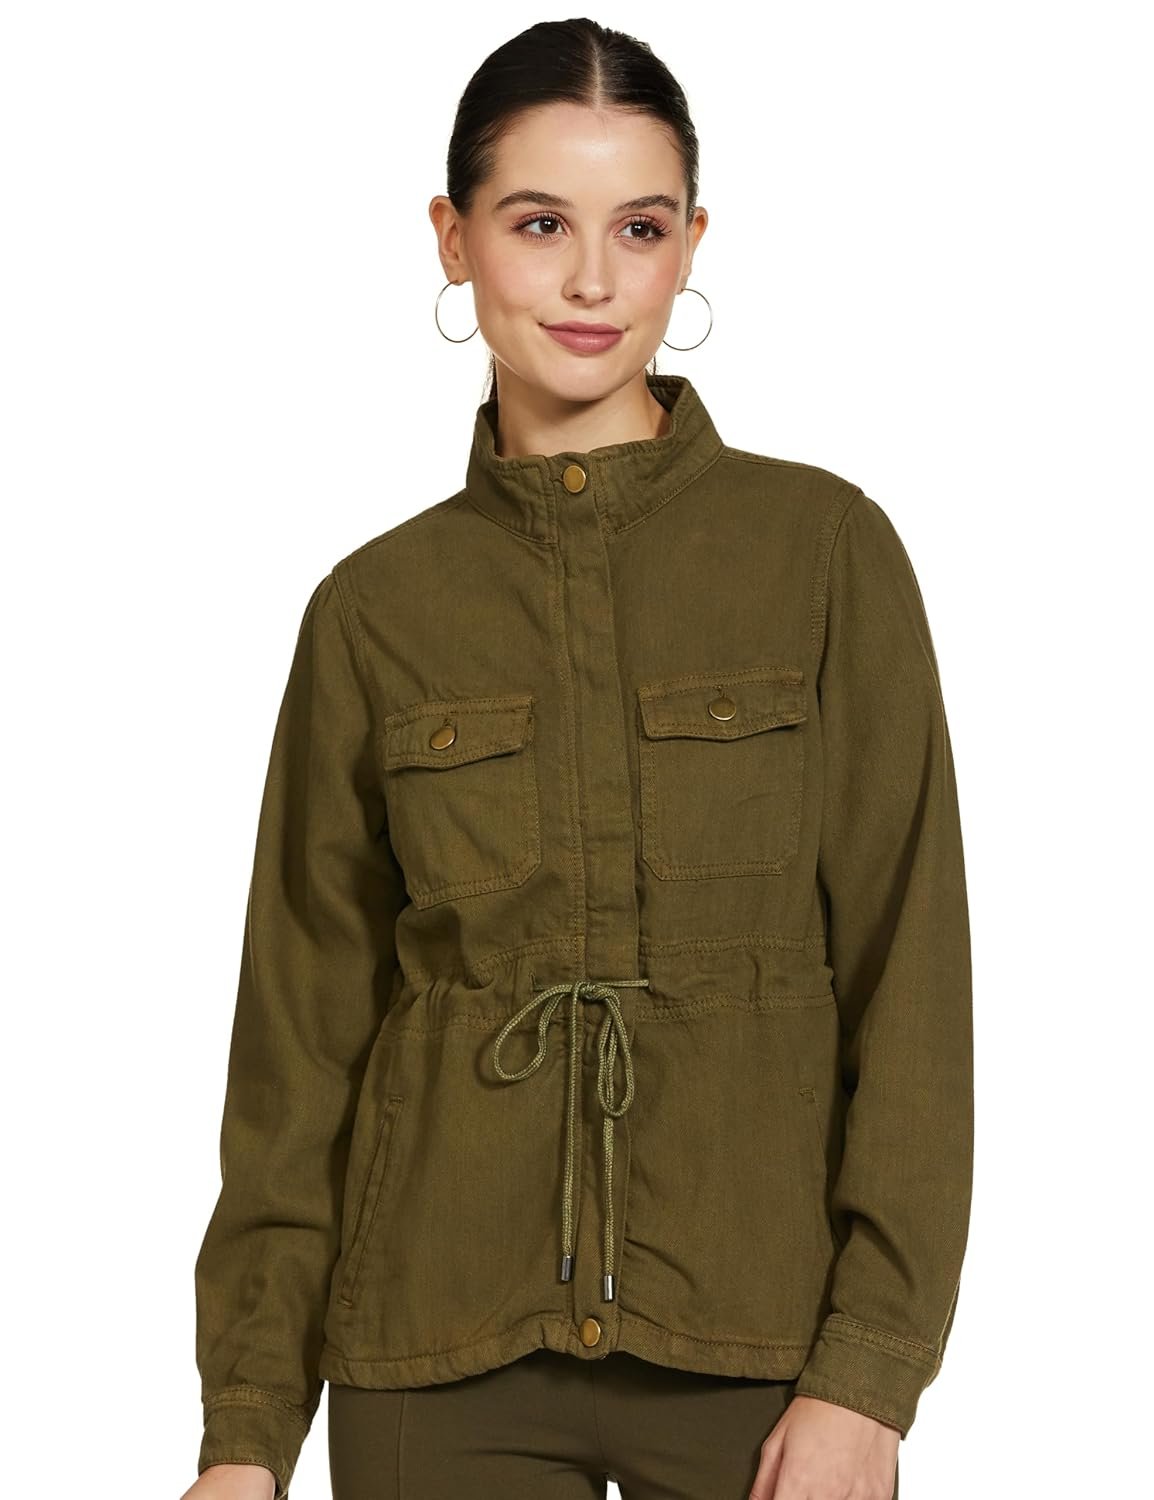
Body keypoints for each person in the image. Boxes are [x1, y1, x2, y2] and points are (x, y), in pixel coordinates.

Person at [184, 18, 973, 1500]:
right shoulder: (371, 613)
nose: (594, 281)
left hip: (754, 1357)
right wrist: (245, 1434)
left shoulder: (821, 553)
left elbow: (908, 980)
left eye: (640, 228)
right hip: (434, 1353)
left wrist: (869, 1375)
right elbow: (296, 1055)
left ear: (692, 247)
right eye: (540, 224)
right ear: (453, 237)